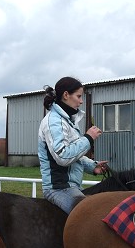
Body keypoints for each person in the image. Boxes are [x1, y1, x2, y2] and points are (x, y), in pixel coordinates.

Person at [38, 76, 107, 214]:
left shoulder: (67, 121)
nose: (81, 101)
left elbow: (75, 155)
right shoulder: (54, 122)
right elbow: (63, 156)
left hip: (70, 187)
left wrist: (93, 166)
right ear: (66, 95)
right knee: (90, 216)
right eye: (79, 96)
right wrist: (88, 138)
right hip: (58, 189)